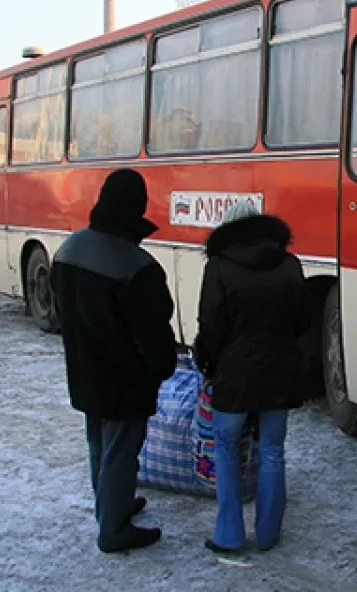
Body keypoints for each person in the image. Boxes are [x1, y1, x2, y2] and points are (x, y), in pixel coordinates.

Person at [51, 169, 178, 553]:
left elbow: (61, 311)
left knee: (98, 444)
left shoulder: (68, 250)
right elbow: (153, 333)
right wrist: (161, 368)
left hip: (84, 369)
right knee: (122, 451)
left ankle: (110, 504)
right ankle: (115, 529)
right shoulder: (136, 266)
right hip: (125, 380)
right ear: (136, 207)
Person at [193, 199, 308, 553]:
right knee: (272, 450)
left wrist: (208, 364)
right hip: (279, 371)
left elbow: (211, 326)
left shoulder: (219, 267)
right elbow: (302, 322)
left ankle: (229, 534)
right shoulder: (290, 265)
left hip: (234, 375)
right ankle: (269, 534)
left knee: (226, 448)